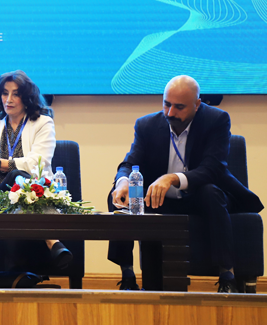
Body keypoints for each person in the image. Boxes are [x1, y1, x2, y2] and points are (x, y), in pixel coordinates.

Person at [107, 75, 263, 293]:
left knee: (211, 192)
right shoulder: (147, 125)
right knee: (118, 195)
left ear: (197, 104)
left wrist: (172, 178)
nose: (170, 113)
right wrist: (123, 181)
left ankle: (227, 276)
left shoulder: (216, 120)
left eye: (179, 107)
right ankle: (128, 274)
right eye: (167, 104)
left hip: (200, 195)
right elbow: (130, 162)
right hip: (161, 199)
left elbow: (213, 168)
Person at [0, 70, 72, 274]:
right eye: (4, 93)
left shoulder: (43, 123)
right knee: (17, 177)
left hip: (31, 199)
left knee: (21, 183)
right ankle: (52, 240)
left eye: (15, 94)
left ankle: (17, 278)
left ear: (27, 98)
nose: (8, 99)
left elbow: (37, 164)